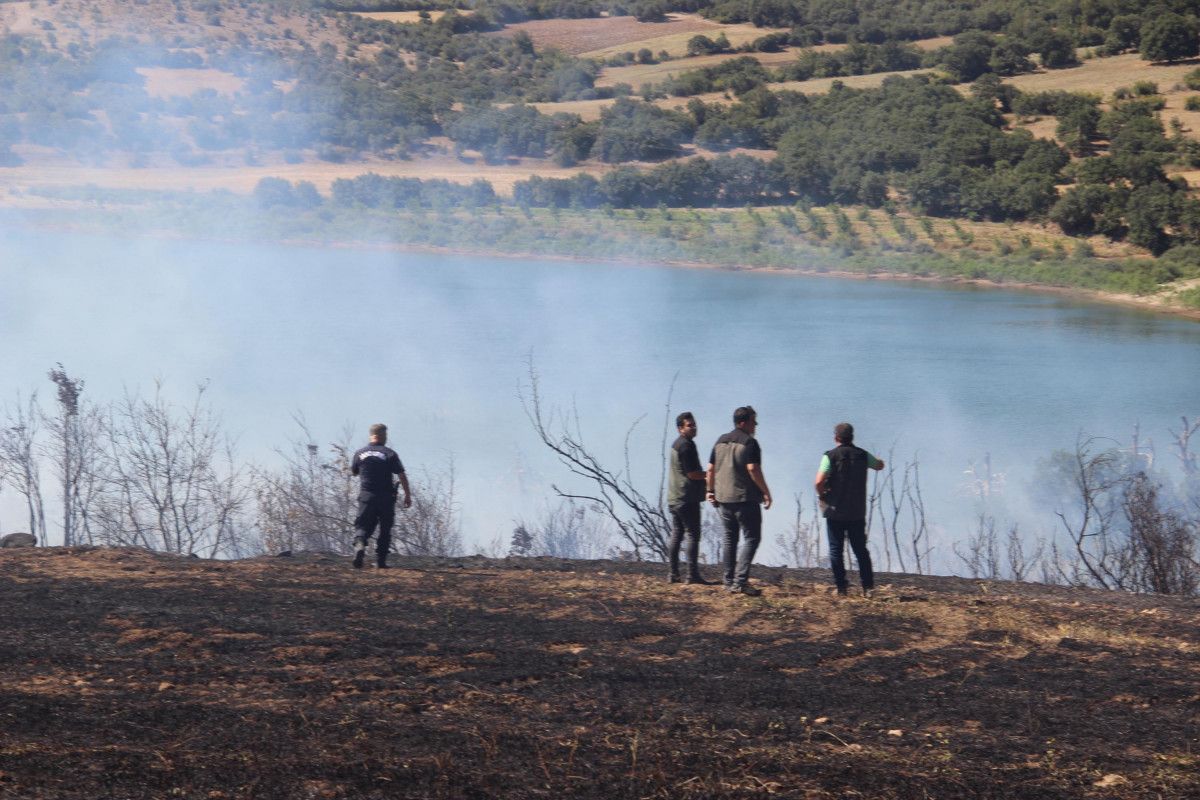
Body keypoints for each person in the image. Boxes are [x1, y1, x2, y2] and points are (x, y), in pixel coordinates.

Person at [707, 406, 772, 596]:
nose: (756, 425)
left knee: (730, 539)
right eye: (753, 421)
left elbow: (710, 469)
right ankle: (740, 582)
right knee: (752, 538)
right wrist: (766, 492)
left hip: (724, 499)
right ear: (743, 423)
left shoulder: (720, 441)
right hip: (745, 498)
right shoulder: (750, 443)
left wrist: (710, 491)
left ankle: (728, 582)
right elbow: (753, 469)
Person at [815, 422, 885, 597]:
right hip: (856, 512)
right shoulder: (862, 455)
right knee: (860, 550)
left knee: (836, 551)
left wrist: (822, 494)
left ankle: (841, 589)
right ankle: (868, 588)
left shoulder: (829, 456)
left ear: (836, 437)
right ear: (852, 437)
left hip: (835, 511)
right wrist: (879, 461)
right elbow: (879, 466)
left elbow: (819, 481)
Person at [350, 423, 412, 569]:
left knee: (362, 525)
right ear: (381, 436)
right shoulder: (389, 453)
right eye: (385, 435)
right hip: (385, 498)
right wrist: (407, 495)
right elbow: (401, 475)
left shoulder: (359, 453)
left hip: (366, 497)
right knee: (385, 529)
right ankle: (381, 561)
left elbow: (354, 472)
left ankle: (359, 545)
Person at [666, 412, 712, 585]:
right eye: (689, 425)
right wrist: (709, 475)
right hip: (687, 498)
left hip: (674, 497)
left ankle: (673, 574)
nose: (694, 427)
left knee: (677, 534)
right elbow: (692, 474)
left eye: (694, 424)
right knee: (693, 535)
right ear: (680, 428)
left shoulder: (676, 444)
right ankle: (692, 575)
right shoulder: (686, 446)